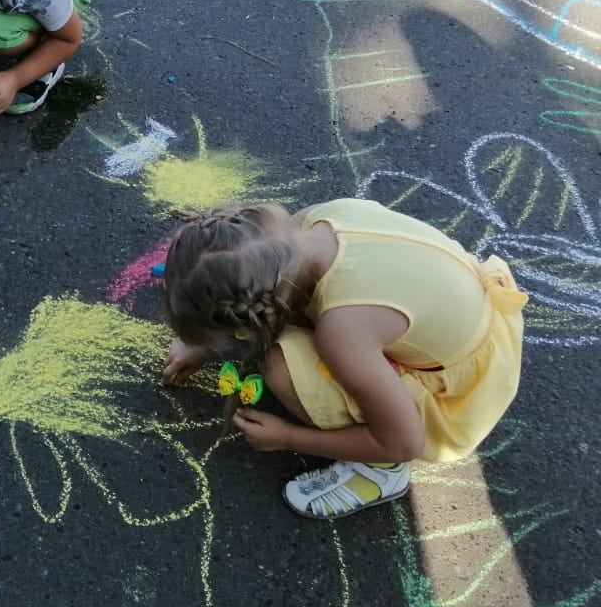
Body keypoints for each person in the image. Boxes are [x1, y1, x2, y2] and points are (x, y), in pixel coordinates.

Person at [159, 198, 527, 519]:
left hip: (460, 386)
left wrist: (288, 437)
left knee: (279, 366)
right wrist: (202, 344)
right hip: (470, 313)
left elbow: (404, 441)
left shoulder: (343, 332)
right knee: (313, 339)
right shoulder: (318, 219)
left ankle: (380, 472)